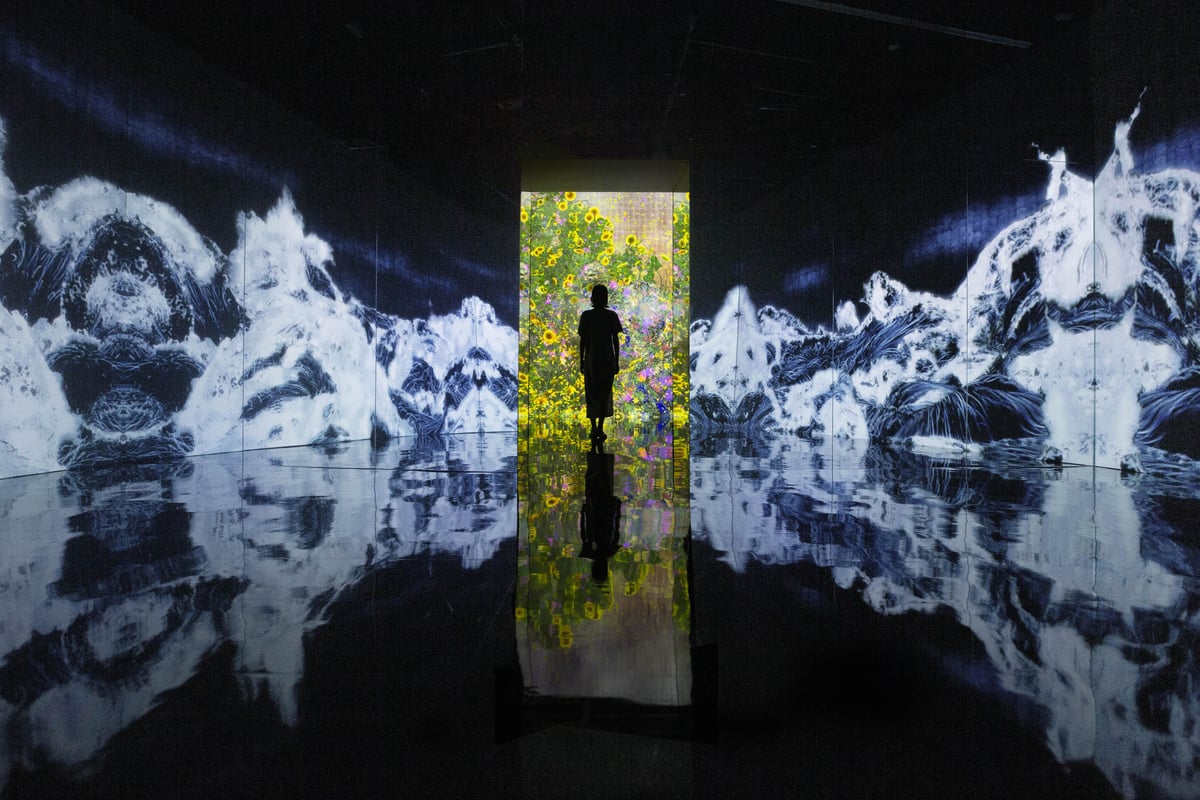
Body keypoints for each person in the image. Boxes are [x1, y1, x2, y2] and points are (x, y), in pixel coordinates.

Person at [578, 283, 623, 441]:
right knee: (604, 393)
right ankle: (600, 428)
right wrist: (616, 361)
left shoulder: (586, 316)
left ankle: (594, 427)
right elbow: (615, 341)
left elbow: (583, 341)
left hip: (592, 359)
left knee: (592, 393)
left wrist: (582, 361)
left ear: (592, 298)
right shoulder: (611, 316)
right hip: (607, 359)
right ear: (606, 298)